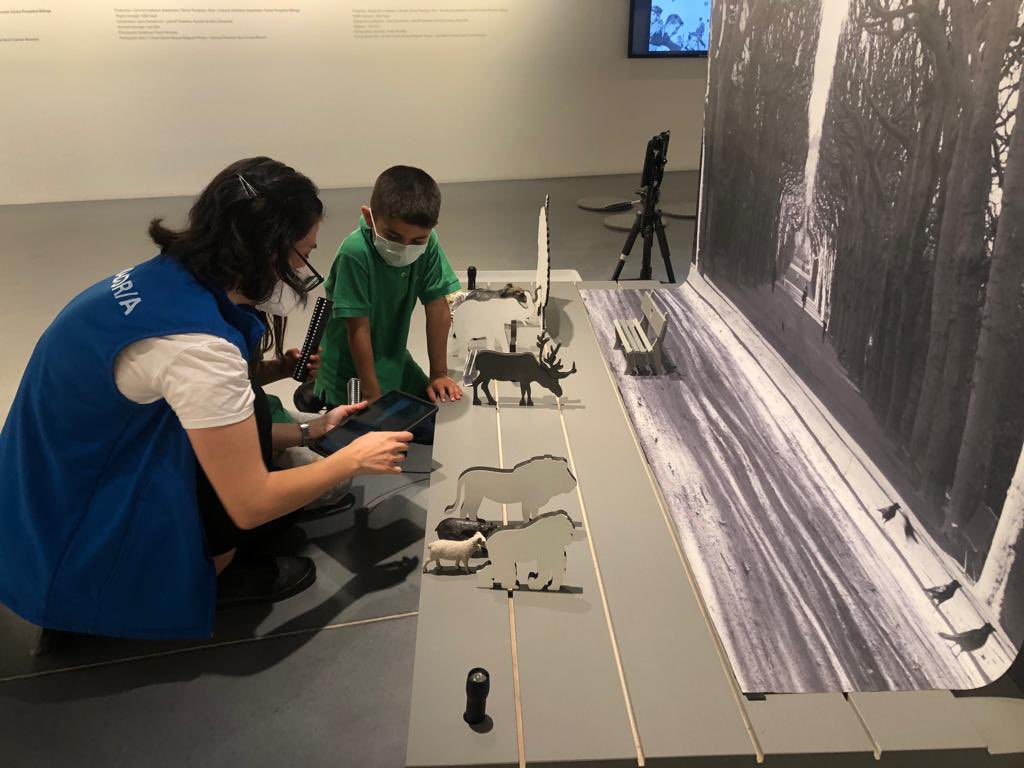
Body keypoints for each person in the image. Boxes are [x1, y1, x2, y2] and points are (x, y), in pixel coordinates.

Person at [0, 157, 413, 641]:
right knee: (257, 485)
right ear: (265, 252)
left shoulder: (161, 278)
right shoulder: (200, 350)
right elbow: (250, 502)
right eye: (302, 253)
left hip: (36, 506)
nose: (304, 270)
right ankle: (216, 571)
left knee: (249, 409)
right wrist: (349, 461)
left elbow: (187, 399)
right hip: (73, 556)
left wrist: (313, 430)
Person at [314, 166, 463, 409]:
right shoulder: (355, 253)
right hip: (350, 370)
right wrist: (372, 395)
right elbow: (357, 329)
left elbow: (437, 307)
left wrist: (439, 373)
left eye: (417, 241)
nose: (405, 247)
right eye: (393, 237)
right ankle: (320, 397)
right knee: (378, 436)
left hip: (393, 357)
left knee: (433, 412)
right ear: (369, 216)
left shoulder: (430, 245)